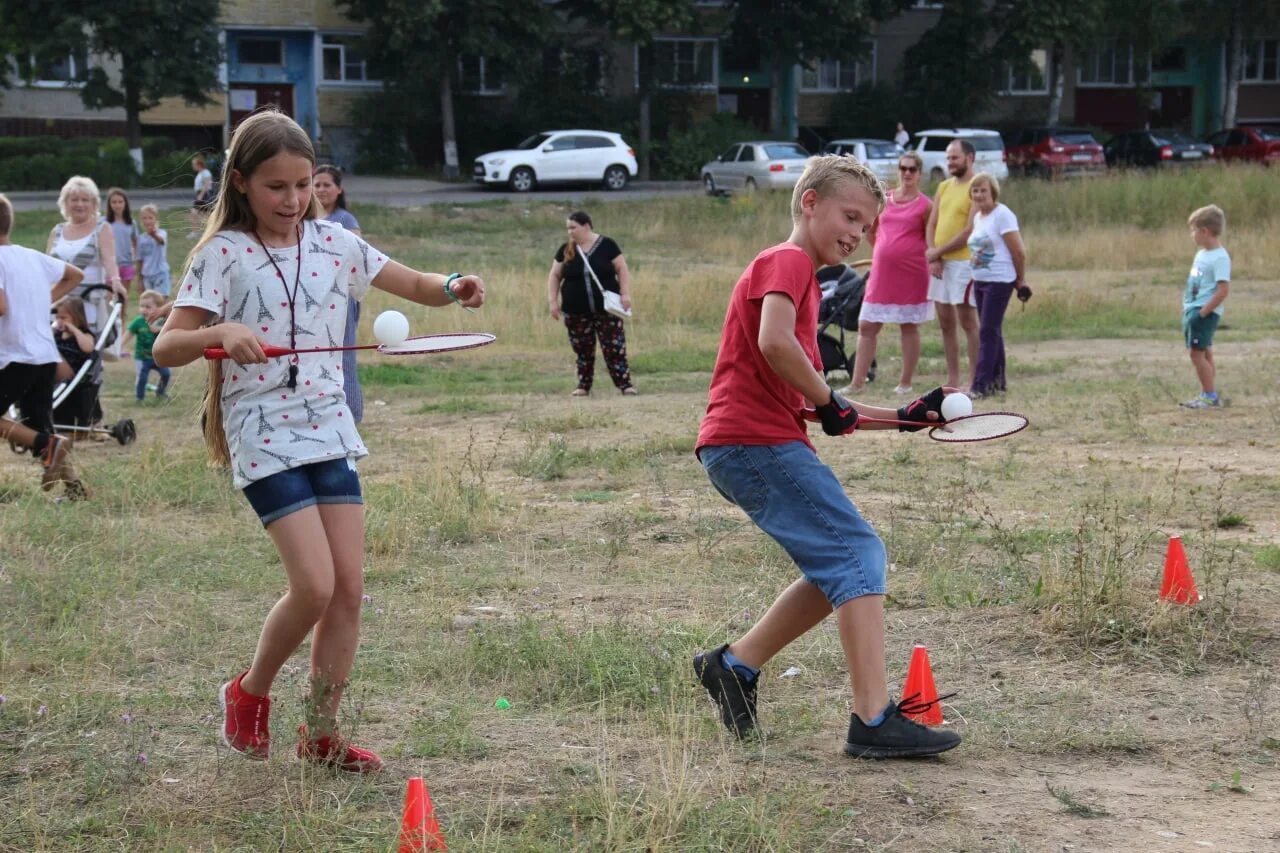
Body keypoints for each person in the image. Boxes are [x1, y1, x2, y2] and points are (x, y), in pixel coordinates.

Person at [154, 109, 485, 774]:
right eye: (277, 186)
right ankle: (248, 691)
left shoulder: (337, 242)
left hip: (329, 426)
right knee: (313, 585)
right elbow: (166, 346)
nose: (294, 200)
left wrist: (453, 287)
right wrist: (219, 335)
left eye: (304, 184)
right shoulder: (221, 254)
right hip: (261, 433)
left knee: (349, 591)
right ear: (242, 182)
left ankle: (321, 735)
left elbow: (412, 283)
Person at [691, 155, 961, 759]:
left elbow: (813, 397)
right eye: (849, 216)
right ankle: (872, 719)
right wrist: (827, 397)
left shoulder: (802, 279)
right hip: (750, 441)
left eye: (866, 227)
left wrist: (905, 417)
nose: (856, 233)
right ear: (809, 202)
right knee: (859, 553)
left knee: (840, 565)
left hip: (752, 442)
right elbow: (775, 344)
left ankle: (734, 666)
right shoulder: (786, 261)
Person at [0, 193, 86, 499]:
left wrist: (31, 304)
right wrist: (38, 302)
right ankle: (75, 488)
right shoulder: (29, 255)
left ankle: (46, 447)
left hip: (14, 356)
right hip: (44, 356)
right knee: (40, 426)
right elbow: (75, 275)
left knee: (41, 438)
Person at [842, 151, 933, 396]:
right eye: (903, 168)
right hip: (883, 273)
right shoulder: (886, 199)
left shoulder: (926, 205)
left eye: (912, 169)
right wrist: (886, 251)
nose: (907, 173)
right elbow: (871, 230)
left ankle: (905, 382)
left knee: (908, 325)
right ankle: (857, 382)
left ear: (919, 173)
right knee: (867, 325)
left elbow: (930, 237)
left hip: (913, 273)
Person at [546, 211, 636, 396]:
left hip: (607, 309)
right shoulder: (566, 250)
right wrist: (553, 301)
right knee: (582, 349)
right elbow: (555, 275)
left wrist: (625, 294)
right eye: (568, 228)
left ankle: (625, 384)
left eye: (574, 227)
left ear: (586, 226)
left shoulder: (607, 245)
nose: (570, 232)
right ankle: (583, 385)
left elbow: (622, 268)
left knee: (614, 347)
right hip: (576, 310)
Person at [965, 173, 1028, 398]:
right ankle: (998, 382)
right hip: (980, 279)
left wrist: (1020, 280)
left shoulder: (1003, 215)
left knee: (987, 331)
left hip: (999, 280)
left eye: (983, 190)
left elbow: (1018, 251)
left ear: (993, 192)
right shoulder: (978, 217)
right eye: (975, 191)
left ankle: (980, 385)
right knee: (992, 330)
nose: (979, 195)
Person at [925, 140, 979, 389]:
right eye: (948, 158)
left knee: (967, 322)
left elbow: (969, 230)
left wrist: (938, 252)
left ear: (970, 157)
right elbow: (932, 223)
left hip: (963, 264)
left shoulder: (977, 186)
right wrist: (934, 256)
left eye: (955, 158)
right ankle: (953, 379)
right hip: (940, 265)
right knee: (946, 323)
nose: (950, 163)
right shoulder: (944, 186)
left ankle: (975, 379)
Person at [314, 165, 365, 422]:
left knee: (343, 356)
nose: (321, 190)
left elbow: (356, 262)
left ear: (339, 189)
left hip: (339, 300)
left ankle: (350, 413)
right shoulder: (303, 219)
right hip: (311, 302)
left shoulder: (345, 220)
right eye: (317, 185)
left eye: (327, 185)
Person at [47, 175, 127, 325]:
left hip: (88, 305)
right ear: (65, 203)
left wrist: (116, 280)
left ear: (94, 204)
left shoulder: (101, 229)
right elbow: (47, 267)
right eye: (74, 199)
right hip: (58, 307)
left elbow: (110, 260)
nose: (80, 204)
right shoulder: (57, 231)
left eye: (85, 200)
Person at [1180, 204, 1230, 409]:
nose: (1191, 235)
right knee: (1205, 352)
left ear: (1205, 231)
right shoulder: (1201, 255)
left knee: (1196, 354)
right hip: (1193, 309)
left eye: (1193, 230)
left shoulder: (1220, 257)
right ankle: (1208, 392)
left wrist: (1203, 311)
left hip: (1203, 312)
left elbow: (1223, 290)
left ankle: (1209, 396)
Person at [51, 296, 99, 429]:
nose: (59, 321)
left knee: (48, 349)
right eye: (57, 318)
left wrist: (74, 330)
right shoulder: (56, 335)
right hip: (53, 371)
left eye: (63, 318)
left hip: (71, 374)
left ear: (77, 318)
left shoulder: (84, 334)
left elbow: (89, 348)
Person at [121, 290, 170, 402]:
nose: (143, 309)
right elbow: (128, 334)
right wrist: (119, 346)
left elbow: (170, 335)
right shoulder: (138, 321)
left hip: (158, 357)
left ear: (159, 308)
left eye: (148, 307)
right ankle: (140, 398)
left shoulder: (162, 322)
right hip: (142, 358)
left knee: (166, 374)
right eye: (141, 306)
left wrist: (160, 330)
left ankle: (160, 392)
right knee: (142, 378)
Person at [105, 188, 140, 296]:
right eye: (114, 202)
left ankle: (122, 313)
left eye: (120, 202)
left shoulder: (131, 223)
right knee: (110, 297)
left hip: (127, 264)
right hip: (110, 266)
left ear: (125, 203)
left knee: (123, 296)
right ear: (109, 204)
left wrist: (135, 262)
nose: (117, 205)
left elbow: (136, 243)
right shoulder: (104, 223)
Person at [136, 204, 172, 296]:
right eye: (144, 218)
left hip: (160, 274)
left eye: (150, 218)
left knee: (160, 301)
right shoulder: (141, 239)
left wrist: (153, 234)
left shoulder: (162, 233)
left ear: (156, 219)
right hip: (147, 276)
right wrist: (139, 279)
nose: (147, 221)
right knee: (150, 302)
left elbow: (161, 241)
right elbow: (140, 260)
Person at [189, 154, 216, 237]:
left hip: (204, 195)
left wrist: (201, 195)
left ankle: (196, 232)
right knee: (205, 215)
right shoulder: (200, 173)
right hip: (200, 194)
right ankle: (210, 231)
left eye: (194, 164)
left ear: (199, 164)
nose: (193, 166)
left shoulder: (205, 172)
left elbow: (207, 185)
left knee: (196, 213)